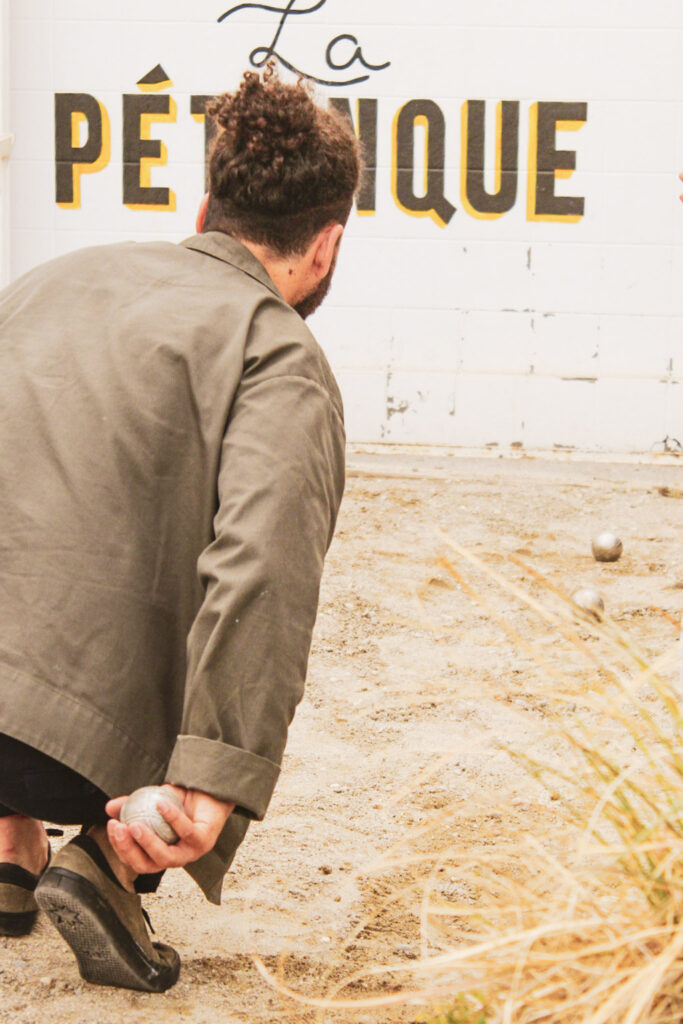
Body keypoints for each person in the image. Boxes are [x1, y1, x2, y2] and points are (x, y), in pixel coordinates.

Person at [0, 65, 361, 992]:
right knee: (191, 585)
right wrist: (211, 788)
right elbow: (260, 569)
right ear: (323, 245)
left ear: (203, 208)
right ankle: (116, 862)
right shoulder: (274, 348)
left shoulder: (43, 284)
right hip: (73, 762)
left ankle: (8, 849)